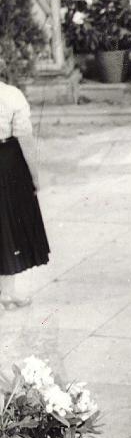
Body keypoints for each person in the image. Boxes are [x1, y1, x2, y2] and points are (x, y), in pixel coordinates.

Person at [0, 78, 48, 309]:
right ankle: (6, 294)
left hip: (7, 163)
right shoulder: (10, 95)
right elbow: (25, 138)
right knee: (8, 227)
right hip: (7, 162)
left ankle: (7, 293)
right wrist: (34, 175)